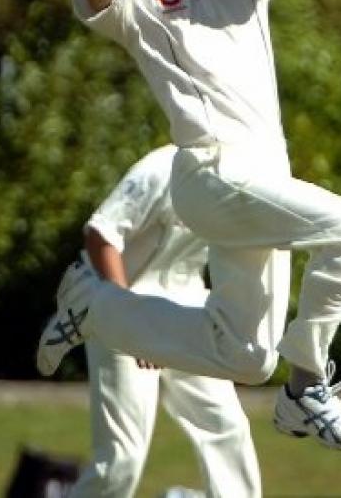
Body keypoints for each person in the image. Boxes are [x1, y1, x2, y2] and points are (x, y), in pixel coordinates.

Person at [38, 0, 341, 450]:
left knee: (246, 355)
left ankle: (94, 305)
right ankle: (307, 389)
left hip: (262, 175)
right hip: (212, 169)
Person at [63, 145, 262, 498]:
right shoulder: (159, 168)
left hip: (189, 312)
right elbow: (101, 235)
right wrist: (133, 322)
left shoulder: (240, 175)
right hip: (123, 308)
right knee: (121, 462)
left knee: (227, 430)